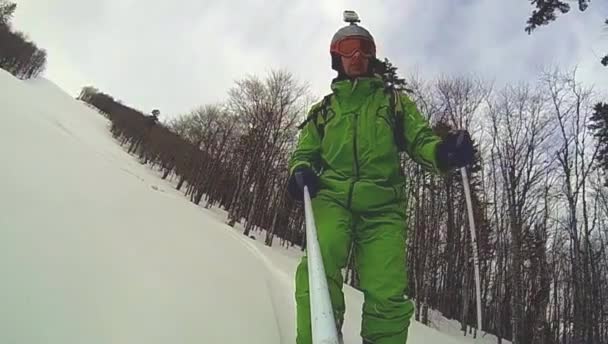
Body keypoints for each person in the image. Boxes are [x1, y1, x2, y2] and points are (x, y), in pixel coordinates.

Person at [286, 11, 475, 344]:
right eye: (347, 49)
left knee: (387, 288)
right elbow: (305, 152)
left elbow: (420, 140)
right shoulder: (325, 111)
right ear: (337, 58)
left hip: (383, 206)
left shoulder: (393, 103)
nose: (356, 56)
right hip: (331, 197)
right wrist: (299, 171)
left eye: (363, 49)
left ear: (372, 55)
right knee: (319, 263)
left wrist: (442, 153)